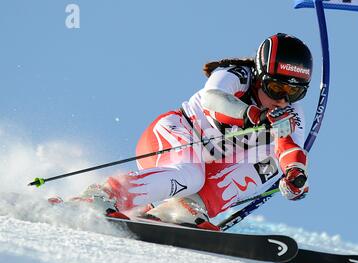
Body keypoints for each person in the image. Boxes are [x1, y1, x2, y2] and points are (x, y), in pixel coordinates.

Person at [77, 33, 313, 231]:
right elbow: (214, 99)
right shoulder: (237, 75)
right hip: (175, 135)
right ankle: (101, 195)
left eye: (294, 92)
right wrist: (254, 115)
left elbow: (290, 148)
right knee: (190, 174)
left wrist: (295, 175)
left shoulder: (290, 113)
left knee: (272, 163)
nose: (283, 99)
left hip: (212, 164)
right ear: (260, 77)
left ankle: (184, 208)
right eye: (275, 88)